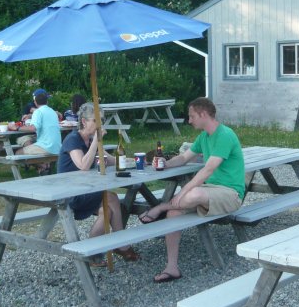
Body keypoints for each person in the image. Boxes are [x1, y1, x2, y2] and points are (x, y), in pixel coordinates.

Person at [138, 97, 244, 283]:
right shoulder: (204, 136)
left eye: (192, 116)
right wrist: (164, 164)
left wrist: (184, 190)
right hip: (209, 191)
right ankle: (172, 267)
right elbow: (184, 158)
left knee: (192, 193)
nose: (190, 120)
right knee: (174, 214)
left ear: (203, 114)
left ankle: (162, 206)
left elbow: (209, 168)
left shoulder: (225, 135)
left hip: (230, 193)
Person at [58, 102, 140, 266]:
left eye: (101, 120)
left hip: (86, 190)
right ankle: (121, 245)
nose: (99, 124)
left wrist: (135, 162)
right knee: (111, 198)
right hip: (69, 193)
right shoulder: (72, 139)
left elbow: (109, 159)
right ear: (84, 122)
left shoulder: (90, 141)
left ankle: (92, 254)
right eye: (95, 121)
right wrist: (96, 140)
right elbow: (83, 164)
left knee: (107, 211)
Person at [15, 89, 61, 173]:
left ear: (35, 102)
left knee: (18, 154)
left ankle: (43, 166)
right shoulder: (53, 112)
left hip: (47, 147)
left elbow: (33, 128)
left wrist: (16, 128)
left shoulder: (38, 112)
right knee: (29, 142)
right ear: (47, 102)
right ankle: (43, 166)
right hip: (57, 147)